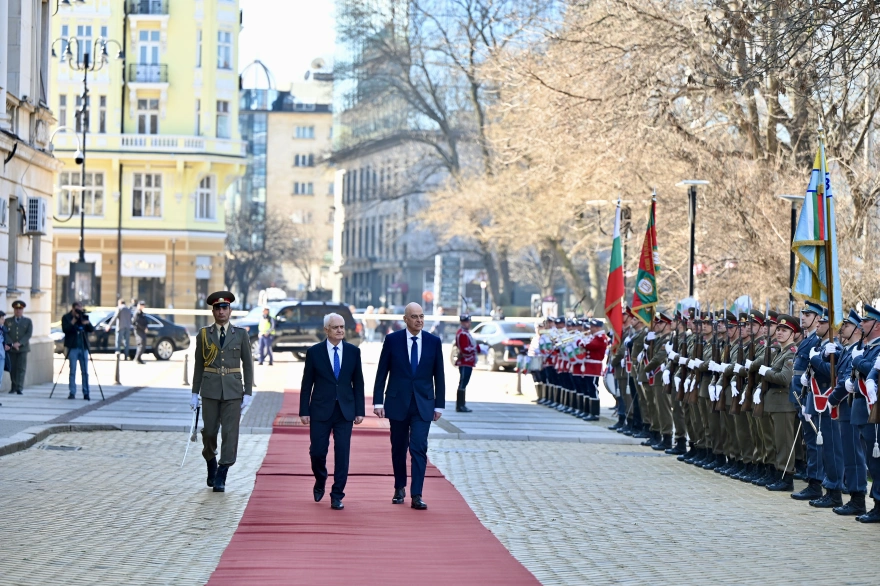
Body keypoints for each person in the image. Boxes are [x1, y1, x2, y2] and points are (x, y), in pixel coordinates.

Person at [373, 302, 445, 510]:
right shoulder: (392, 340)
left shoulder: (433, 342)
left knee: (418, 448)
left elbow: (439, 375)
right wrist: (378, 401)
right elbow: (381, 373)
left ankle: (417, 494)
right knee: (398, 448)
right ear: (405, 319)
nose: (419, 320)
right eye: (414, 316)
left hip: (423, 404)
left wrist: (439, 405)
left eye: (421, 316)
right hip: (397, 403)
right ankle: (399, 487)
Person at [299, 313, 365, 510]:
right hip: (320, 410)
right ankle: (320, 479)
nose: (340, 330)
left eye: (342, 327)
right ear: (326, 329)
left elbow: (358, 383)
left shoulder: (353, 352)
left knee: (342, 453)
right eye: (336, 327)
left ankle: (337, 494)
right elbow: (306, 384)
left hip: (345, 411)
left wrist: (360, 410)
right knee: (317, 452)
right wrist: (304, 410)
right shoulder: (314, 352)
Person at [190, 291, 254, 493]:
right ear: (213, 311)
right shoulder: (204, 334)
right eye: (217, 308)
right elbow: (199, 365)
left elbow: (248, 364)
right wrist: (194, 392)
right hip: (210, 390)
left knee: (229, 432)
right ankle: (211, 460)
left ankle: (222, 472)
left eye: (224, 307)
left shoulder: (241, 334)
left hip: (233, 390)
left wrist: (248, 391)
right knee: (209, 432)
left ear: (230, 310)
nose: (221, 311)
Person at [62, 301, 95, 400]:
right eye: (77, 309)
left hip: (83, 346)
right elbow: (65, 329)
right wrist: (73, 320)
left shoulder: (83, 317)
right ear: (73, 308)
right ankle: (72, 392)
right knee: (72, 370)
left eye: (80, 309)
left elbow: (91, 329)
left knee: (85, 371)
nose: (78, 311)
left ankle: (86, 392)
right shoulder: (66, 317)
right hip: (72, 347)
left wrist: (87, 323)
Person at [453, 314, 481, 413]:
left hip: (468, 362)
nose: (469, 324)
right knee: (462, 383)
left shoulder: (465, 332)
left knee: (464, 384)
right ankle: (460, 405)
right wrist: (477, 348)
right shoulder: (462, 333)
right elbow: (464, 349)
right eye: (467, 322)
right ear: (463, 322)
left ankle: (462, 405)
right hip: (465, 362)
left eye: (469, 322)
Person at [5, 300, 32, 395]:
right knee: (12, 368)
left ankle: (19, 387)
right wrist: (12, 344)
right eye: (16, 309)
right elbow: (5, 334)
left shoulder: (27, 321)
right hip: (12, 349)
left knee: (21, 368)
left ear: (22, 310)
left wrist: (19, 343)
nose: (18, 311)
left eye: (20, 309)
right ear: (14, 309)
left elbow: (28, 334)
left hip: (23, 348)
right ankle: (13, 386)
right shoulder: (8, 321)